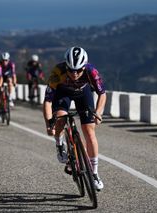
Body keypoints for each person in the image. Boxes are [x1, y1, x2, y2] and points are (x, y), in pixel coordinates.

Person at [43, 46, 106, 191]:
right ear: (66, 66)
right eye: (71, 70)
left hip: (83, 94)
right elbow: (47, 101)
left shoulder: (91, 71)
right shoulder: (57, 72)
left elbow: (102, 93)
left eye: (78, 70)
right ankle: (60, 145)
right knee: (60, 118)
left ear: (84, 66)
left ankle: (95, 174)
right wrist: (49, 124)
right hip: (62, 93)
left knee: (89, 132)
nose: (75, 73)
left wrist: (99, 112)